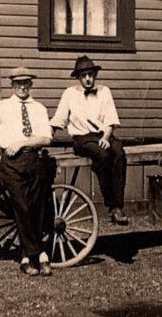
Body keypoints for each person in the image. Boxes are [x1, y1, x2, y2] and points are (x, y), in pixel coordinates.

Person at [0, 66, 57, 276]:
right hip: (11, 162)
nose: (22, 86)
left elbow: (46, 138)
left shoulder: (39, 108)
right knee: (22, 206)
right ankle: (39, 255)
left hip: (34, 159)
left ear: (31, 84)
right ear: (12, 85)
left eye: (26, 83)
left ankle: (26, 257)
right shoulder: (2, 107)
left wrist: (22, 142)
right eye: (18, 83)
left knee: (37, 206)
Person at [51, 55, 129, 225]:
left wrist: (106, 137)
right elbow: (59, 119)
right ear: (78, 77)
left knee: (120, 154)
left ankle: (117, 208)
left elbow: (111, 119)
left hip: (104, 134)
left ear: (95, 75)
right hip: (82, 138)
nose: (88, 79)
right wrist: (46, 135)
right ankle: (111, 204)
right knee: (103, 156)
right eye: (84, 75)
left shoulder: (104, 91)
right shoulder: (70, 94)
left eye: (91, 75)